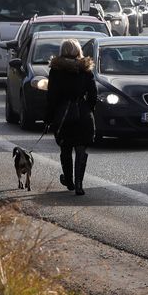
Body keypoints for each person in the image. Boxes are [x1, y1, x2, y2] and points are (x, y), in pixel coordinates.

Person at [44, 39, 97, 196]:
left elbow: (52, 96)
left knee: (65, 148)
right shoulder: (86, 69)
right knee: (81, 149)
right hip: (83, 113)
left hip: (63, 114)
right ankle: (79, 185)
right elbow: (93, 94)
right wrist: (89, 109)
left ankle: (69, 181)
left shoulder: (56, 70)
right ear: (78, 51)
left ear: (62, 51)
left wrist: (48, 117)